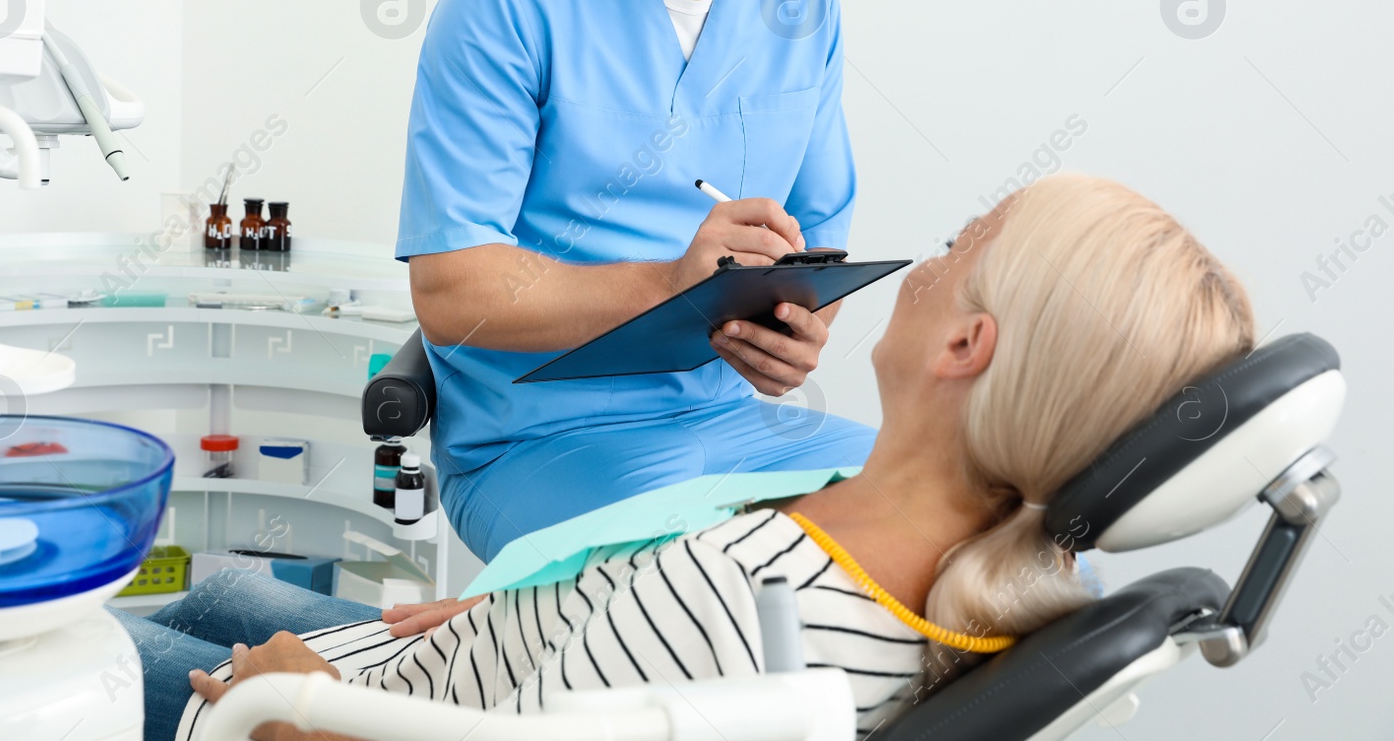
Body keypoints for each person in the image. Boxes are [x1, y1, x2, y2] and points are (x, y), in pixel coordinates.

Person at [114, 173, 1256, 741]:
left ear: (966, 342)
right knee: (216, 583)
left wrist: (292, 711)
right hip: (470, 649)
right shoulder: (902, 526)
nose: (924, 258)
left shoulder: (753, 624)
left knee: (78, 653)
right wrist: (537, 606)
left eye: (960, 247)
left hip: (350, 715)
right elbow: (628, 624)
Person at [395, 0, 880, 562]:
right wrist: (668, 285)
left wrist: (792, 335)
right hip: (537, 446)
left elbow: (813, 249)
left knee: (983, 521)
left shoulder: (806, 10)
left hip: (734, 427)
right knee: (724, 588)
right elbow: (452, 292)